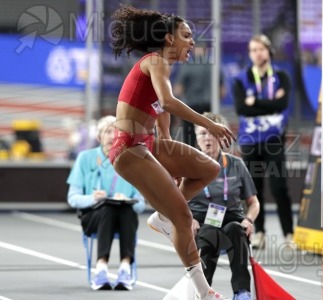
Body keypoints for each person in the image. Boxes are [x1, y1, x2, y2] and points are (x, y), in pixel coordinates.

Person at [109, 6, 235, 300]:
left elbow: (158, 107)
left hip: (146, 144)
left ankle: (161, 217)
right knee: (183, 215)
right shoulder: (157, 61)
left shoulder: (162, 65)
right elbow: (167, 101)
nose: (192, 42)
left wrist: (165, 142)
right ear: (168, 39)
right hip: (128, 149)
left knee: (209, 168)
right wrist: (209, 124)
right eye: (187, 36)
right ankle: (204, 292)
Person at [66, 115, 145, 291]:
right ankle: (101, 268)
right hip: (93, 216)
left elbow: (140, 204)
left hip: (125, 217)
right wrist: (93, 198)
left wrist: (128, 201)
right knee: (108, 207)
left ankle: (124, 269)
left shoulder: (131, 161)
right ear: (99, 137)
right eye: (108, 131)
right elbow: (73, 198)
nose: (112, 136)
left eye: (117, 132)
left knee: (126, 209)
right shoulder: (85, 158)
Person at [232, 34, 294, 249]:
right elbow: (241, 108)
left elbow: (283, 104)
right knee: (253, 189)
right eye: (253, 50)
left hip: (273, 140)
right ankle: (259, 233)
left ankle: (288, 234)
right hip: (250, 140)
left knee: (279, 188)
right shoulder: (241, 79)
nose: (258, 53)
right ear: (250, 54)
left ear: (269, 51)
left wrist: (255, 102)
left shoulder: (281, 76)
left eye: (261, 49)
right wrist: (270, 103)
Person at [189, 112, 259, 300]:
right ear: (197, 138)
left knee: (237, 230)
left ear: (221, 136)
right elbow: (176, 200)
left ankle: (242, 292)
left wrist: (248, 219)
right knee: (210, 232)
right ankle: (203, 291)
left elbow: (254, 203)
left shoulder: (236, 164)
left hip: (232, 218)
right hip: (203, 221)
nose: (207, 138)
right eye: (202, 133)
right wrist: (189, 219)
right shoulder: (188, 166)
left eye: (211, 133)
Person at [173, 43, 226, 146]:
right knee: (209, 141)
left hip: (190, 109)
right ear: (205, 49)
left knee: (189, 142)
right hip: (210, 108)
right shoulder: (214, 65)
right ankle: (209, 161)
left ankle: (190, 161)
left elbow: (178, 90)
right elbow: (222, 91)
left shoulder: (187, 65)